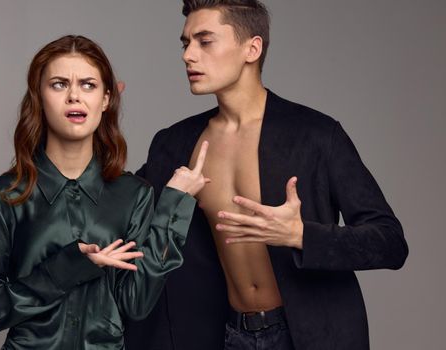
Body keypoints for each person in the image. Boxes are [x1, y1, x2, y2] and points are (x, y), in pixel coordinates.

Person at [124, 1, 409, 350]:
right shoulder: (176, 143)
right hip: (226, 335)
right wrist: (100, 114)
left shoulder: (316, 136)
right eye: (186, 43)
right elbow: (120, 215)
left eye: (205, 41)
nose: (188, 55)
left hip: (310, 336)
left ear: (252, 48)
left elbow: (391, 243)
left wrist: (303, 235)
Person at [0, 35, 209, 350]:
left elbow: (136, 304)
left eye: (88, 85)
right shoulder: (3, 196)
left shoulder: (134, 194)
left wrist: (174, 207)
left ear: (106, 99)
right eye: (58, 84)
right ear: (39, 97)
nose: (73, 97)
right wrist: (66, 268)